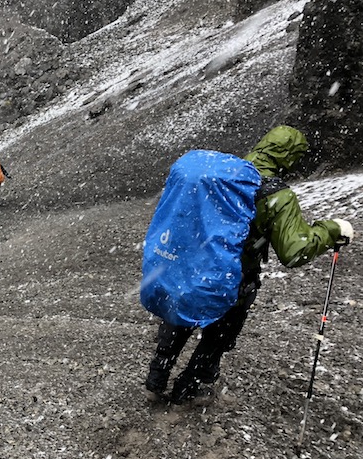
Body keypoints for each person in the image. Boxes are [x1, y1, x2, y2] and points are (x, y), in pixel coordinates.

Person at [145, 125, 355, 404]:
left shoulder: (225, 176)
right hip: (235, 275)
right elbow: (293, 251)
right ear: (289, 157)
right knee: (220, 330)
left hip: (195, 264)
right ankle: (190, 388)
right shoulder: (276, 195)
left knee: (183, 312)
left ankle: (156, 377)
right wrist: (331, 230)